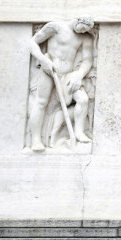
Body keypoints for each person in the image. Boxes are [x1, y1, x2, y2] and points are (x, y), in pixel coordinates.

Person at [27, 17, 95, 151]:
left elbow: (87, 60)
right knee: (41, 102)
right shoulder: (55, 27)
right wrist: (42, 60)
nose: (83, 31)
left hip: (69, 75)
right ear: (79, 20)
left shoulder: (85, 37)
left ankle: (79, 132)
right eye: (83, 27)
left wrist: (79, 75)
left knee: (83, 99)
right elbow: (32, 42)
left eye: (86, 30)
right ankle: (36, 140)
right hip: (49, 70)